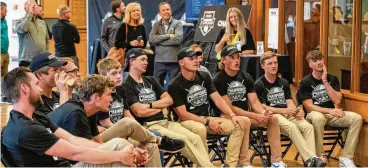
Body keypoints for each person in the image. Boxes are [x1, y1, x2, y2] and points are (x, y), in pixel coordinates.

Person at [1, 67, 144, 167]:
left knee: (121, 147)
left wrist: (120, 153)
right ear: (25, 89)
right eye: (36, 84)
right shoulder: (26, 129)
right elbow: (75, 153)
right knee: (120, 150)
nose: (40, 89)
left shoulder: (36, 116)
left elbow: (73, 140)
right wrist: (120, 155)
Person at [48, 74, 184, 167]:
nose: (112, 99)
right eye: (108, 95)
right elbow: (86, 154)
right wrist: (127, 151)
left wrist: (133, 149)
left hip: (84, 154)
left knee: (150, 147)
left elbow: (98, 143)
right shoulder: (75, 113)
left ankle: (156, 141)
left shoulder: (88, 109)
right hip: (69, 163)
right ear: (96, 97)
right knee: (124, 137)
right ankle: (159, 140)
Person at [122, 48, 214, 167]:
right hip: (150, 125)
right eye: (143, 59)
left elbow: (169, 100)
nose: (146, 62)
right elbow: (139, 112)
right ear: (132, 61)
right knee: (183, 140)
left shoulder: (150, 80)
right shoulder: (127, 85)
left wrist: (150, 105)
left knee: (195, 138)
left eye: (147, 60)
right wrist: (160, 105)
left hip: (166, 122)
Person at [168, 47, 250, 167]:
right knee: (200, 128)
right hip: (187, 121)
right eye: (191, 59)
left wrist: (232, 115)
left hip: (206, 118)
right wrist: (207, 122)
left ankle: (230, 165)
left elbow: (218, 99)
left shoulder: (204, 76)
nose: (196, 61)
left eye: (196, 58)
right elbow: (183, 114)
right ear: (181, 62)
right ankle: (205, 165)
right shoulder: (174, 84)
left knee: (239, 125)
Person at [212, 45, 287, 168]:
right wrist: (255, 115)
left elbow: (254, 102)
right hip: (227, 116)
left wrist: (263, 113)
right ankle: (244, 163)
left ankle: (276, 161)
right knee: (245, 121)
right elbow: (229, 107)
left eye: (238, 57)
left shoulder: (246, 76)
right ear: (224, 60)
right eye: (232, 57)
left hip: (247, 115)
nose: (237, 61)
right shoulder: (218, 79)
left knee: (273, 119)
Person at [254, 51, 326, 167]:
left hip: (287, 114)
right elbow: (263, 107)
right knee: (292, 127)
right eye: (270, 63)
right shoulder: (259, 84)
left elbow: (289, 101)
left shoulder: (283, 82)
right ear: (263, 66)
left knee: (308, 127)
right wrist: (284, 111)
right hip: (273, 116)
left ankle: (310, 162)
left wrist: (296, 110)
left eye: (275, 63)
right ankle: (311, 159)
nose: (273, 66)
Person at [299, 50, 363, 167]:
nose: (318, 62)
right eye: (315, 60)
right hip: (314, 115)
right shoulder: (305, 82)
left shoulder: (332, 79)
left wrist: (324, 81)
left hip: (331, 114)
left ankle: (346, 158)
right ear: (310, 65)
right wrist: (330, 110)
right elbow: (309, 107)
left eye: (320, 59)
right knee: (318, 118)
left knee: (357, 118)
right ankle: (320, 155)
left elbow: (337, 100)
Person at [149, 2, 183, 87]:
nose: (166, 12)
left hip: (173, 61)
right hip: (158, 61)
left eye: (167, 9)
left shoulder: (177, 23)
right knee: (157, 87)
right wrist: (168, 36)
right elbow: (152, 39)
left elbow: (178, 40)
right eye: (163, 10)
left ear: (171, 10)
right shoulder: (156, 25)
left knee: (175, 87)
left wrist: (160, 41)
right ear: (160, 13)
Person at [14, 0, 49, 67]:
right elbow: (24, 29)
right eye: (31, 6)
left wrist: (46, 54)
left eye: (35, 6)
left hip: (41, 60)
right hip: (26, 61)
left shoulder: (42, 23)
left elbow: (47, 40)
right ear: (25, 9)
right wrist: (30, 14)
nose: (34, 8)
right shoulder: (18, 21)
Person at [1, 2, 9, 79]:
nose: (7, 11)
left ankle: (3, 91)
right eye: (5, 9)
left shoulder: (4, 21)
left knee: (5, 78)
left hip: (5, 52)